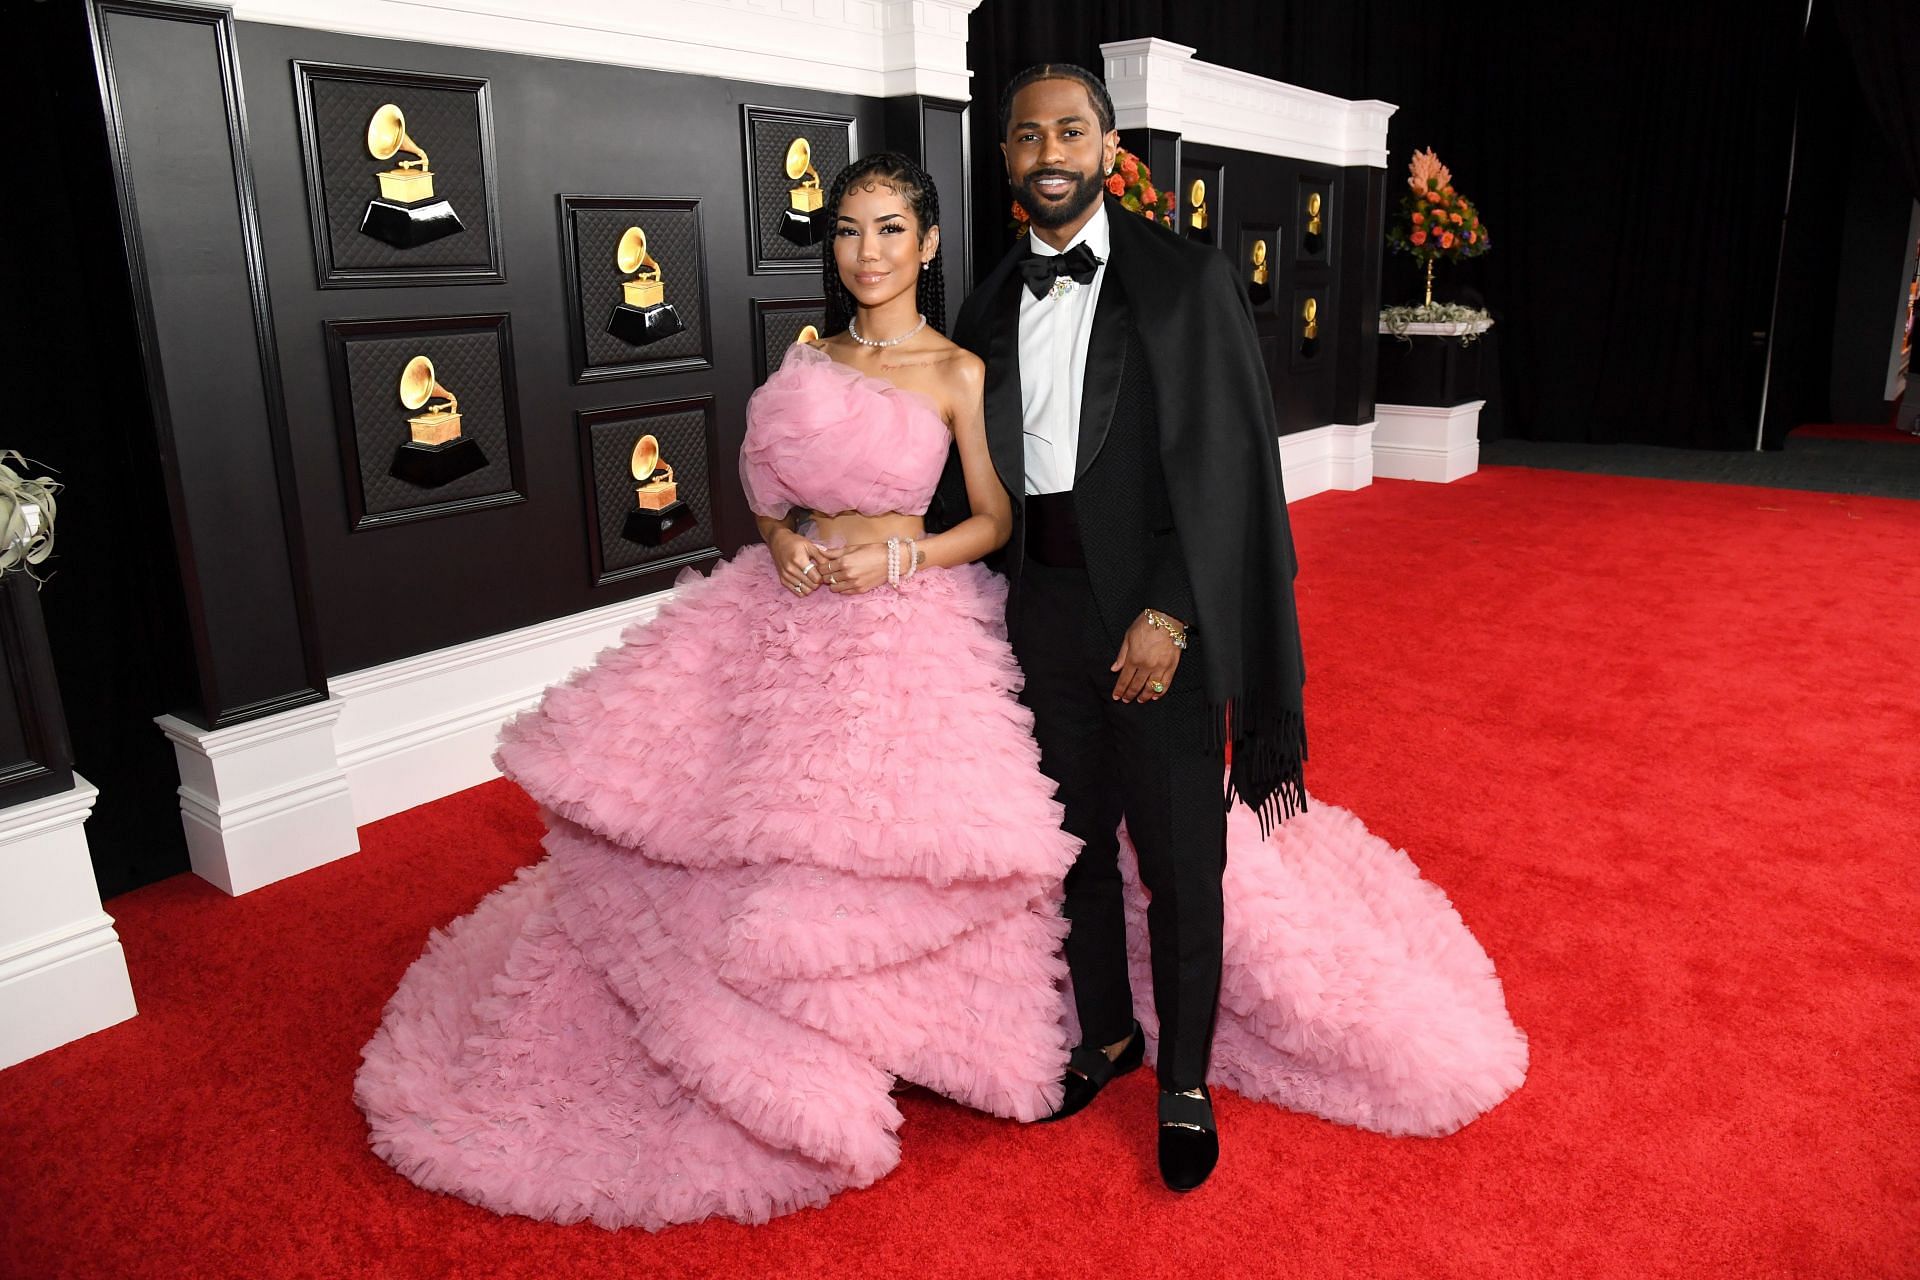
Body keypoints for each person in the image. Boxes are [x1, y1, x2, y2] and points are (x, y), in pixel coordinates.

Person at [355, 149, 1526, 1233]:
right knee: (747, 829)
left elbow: (999, 513)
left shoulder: (965, 364)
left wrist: (900, 556)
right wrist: (783, 536)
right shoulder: (806, 358)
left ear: (925, 245)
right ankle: (932, 1032)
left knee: (943, 843)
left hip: (913, 620)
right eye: (850, 232)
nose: (868, 251)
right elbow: (764, 483)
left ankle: (1134, 1068)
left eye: (891, 231)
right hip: (789, 617)